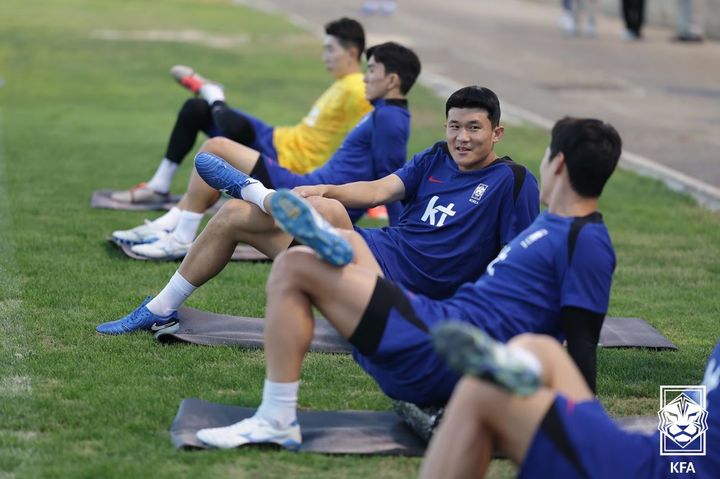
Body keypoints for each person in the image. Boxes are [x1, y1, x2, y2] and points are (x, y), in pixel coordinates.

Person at [187, 116, 621, 450]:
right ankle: (296, 221)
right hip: (435, 323)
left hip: (437, 347)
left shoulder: (586, 243)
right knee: (329, 249)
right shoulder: (553, 228)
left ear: (558, 164)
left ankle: (277, 418)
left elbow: (580, 345)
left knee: (296, 265)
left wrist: (580, 438)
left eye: (547, 154)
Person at [96, 85, 539, 335]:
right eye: (455, 126)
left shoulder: (513, 181)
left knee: (326, 215)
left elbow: (517, 261)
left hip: (407, 292)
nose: (462, 137)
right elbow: (375, 191)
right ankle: (159, 306)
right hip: (375, 250)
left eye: (474, 128)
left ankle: (259, 193)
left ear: (496, 132)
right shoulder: (436, 156)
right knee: (231, 217)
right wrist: (316, 188)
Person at [111, 42, 417, 260]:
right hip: (306, 183)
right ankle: (174, 228)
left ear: (392, 80)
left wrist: (398, 241)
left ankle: (178, 236)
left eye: (372, 70)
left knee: (217, 147)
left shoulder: (390, 117)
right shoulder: (384, 112)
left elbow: (388, 182)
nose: (365, 76)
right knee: (215, 147)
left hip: (311, 195)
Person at [111, 17, 371, 204]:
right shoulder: (343, 84)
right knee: (195, 109)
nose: (325, 57)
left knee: (227, 127)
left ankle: (215, 95)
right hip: (280, 138)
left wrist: (371, 196)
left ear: (352, 53)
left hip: (287, 161)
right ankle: (160, 184)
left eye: (330, 50)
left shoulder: (358, 88)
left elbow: (373, 134)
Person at [419, 323, 720, 478]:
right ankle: (515, 368)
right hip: (657, 454)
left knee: (481, 392)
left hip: (651, 470)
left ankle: (508, 375)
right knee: (542, 349)